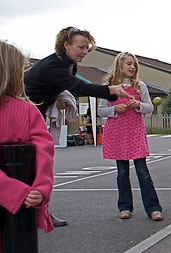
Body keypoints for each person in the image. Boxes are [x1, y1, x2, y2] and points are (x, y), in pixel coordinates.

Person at [24, 27, 132, 226]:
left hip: (35, 115)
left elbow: (58, 87)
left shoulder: (69, 66)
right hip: (21, 117)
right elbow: (78, 87)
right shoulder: (53, 66)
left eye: (87, 48)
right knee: (30, 164)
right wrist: (110, 90)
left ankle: (39, 211)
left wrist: (56, 101)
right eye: (81, 47)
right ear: (66, 45)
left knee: (37, 164)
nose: (84, 52)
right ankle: (32, 212)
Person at [0, 41, 55, 244]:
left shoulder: (27, 110)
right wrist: (40, 189)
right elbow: (45, 152)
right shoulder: (27, 110)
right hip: (23, 202)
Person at [98, 52, 163, 221]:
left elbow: (149, 107)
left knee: (143, 172)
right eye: (128, 64)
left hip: (135, 132)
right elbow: (101, 110)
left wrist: (139, 105)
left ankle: (153, 208)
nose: (132, 67)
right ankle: (125, 207)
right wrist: (114, 110)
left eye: (134, 64)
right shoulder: (110, 86)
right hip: (117, 133)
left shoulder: (140, 85)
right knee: (122, 172)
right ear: (119, 65)